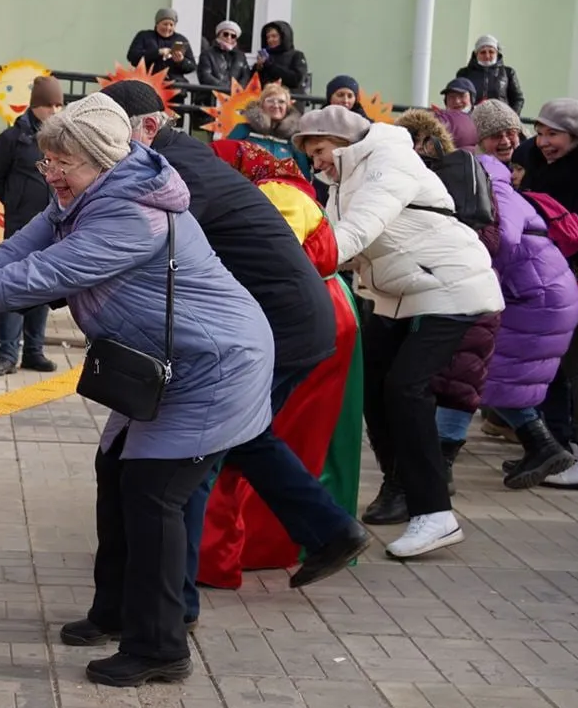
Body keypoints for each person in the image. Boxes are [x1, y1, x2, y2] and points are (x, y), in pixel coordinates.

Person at [0, 92, 272, 685]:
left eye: (61, 163)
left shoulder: (133, 213)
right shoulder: (80, 198)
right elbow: (21, 248)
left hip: (216, 366)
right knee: (116, 472)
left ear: (102, 162)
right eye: (47, 160)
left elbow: (47, 274)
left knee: (154, 496)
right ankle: (114, 612)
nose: (48, 172)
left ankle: (160, 646)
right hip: (168, 364)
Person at [102, 81, 364, 611]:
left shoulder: (174, 176)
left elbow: (145, 253)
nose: (99, 150)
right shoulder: (176, 160)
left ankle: (176, 605)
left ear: (146, 128)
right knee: (244, 439)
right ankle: (329, 529)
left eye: (106, 136)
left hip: (278, 329)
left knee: (188, 455)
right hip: (286, 323)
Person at [293, 106, 503, 559]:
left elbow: (357, 231)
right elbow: (338, 243)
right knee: (374, 384)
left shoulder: (391, 160)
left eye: (321, 150)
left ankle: (435, 514)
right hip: (402, 295)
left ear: (344, 141)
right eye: (310, 155)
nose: (317, 163)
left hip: (453, 285)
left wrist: (297, 264)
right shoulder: (342, 182)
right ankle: (402, 486)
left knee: (406, 389)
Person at [200, 141, 364, 590]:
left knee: (240, 435)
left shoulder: (277, 194)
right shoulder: (275, 189)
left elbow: (266, 259)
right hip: (303, 317)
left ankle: (221, 554)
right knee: (251, 436)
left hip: (294, 322)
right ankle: (323, 530)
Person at [399, 111, 578, 489]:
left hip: (531, 292)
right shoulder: (471, 173)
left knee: (468, 372)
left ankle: (440, 468)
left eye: (419, 141)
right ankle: (542, 446)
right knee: (493, 375)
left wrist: (466, 264)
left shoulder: (484, 176)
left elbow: (504, 240)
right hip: (530, 288)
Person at [515, 98, 578, 483]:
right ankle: (555, 446)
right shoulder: (541, 170)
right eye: (540, 133)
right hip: (549, 278)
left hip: (576, 278)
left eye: (553, 134)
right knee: (551, 367)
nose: (543, 141)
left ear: (575, 136)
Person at [0, 73, 63, 375]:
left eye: (59, 104)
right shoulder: (12, 139)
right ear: (35, 105)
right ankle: (6, 353)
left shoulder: (60, 139)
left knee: (42, 285)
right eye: (49, 105)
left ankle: (34, 350)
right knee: (13, 284)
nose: (55, 111)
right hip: (20, 223)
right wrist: (14, 203)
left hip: (51, 223)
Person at [457, 34, 524, 114]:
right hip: (471, 119)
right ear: (476, 54)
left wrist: (511, 118)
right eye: (483, 52)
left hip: (501, 121)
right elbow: (458, 97)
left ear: (497, 53)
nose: (487, 56)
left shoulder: (508, 73)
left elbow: (518, 99)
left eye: (491, 52)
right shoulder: (464, 73)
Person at [126, 8, 196, 83]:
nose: (168, 28)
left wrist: (181, 61)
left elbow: (192, 66)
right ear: (157, 24)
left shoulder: (181, 40)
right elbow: (132, 57)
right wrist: (157, 52)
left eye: (171, 25)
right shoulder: (144, 36)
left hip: (175, 86)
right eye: (165, 24)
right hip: (148, 84)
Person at [251, 21, 309, 92]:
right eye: (268, 37)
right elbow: (253, 83)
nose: (270, 40)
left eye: (274, 36)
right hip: (266, 98)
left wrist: (270, 65)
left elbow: (297, 80)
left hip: (290, 99)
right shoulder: (265, 56)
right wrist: (257, 68)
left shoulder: (297, 55)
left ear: (284, 37)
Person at [196, 20, 250, 91]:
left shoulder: (241, 56)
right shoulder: (207, 54)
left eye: (233, 36)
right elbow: (205, 76)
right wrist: (226, 89)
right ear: (218, 35)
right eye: (226, 34)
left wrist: (238, 89)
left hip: (236, 97)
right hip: (212, 96)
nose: (229, 37)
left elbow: (246, 76)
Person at [435, 79, 480, 151]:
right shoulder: (440, 119)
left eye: (462, 96)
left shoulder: (483, 118)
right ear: (445, 101)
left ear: (472, 98)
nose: (457, 101)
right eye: (451, 97)